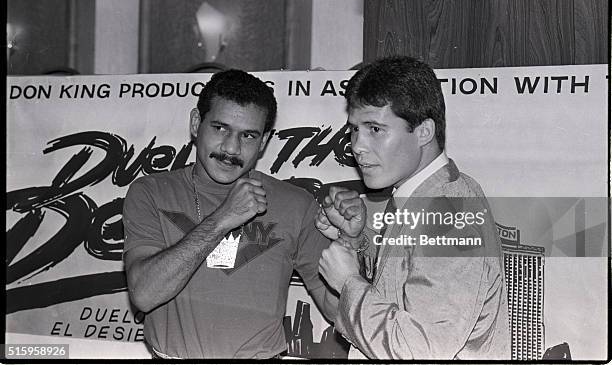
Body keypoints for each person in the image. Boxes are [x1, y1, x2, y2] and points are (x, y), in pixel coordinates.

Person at [122, 70, 335, 359]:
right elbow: (145, 295)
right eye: (220, 128)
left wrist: (351, 240)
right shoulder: (151, 192)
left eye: (248, 135)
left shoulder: (296, 203)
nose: (231, 148)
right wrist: (223, 218)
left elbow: (337, 309)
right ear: (196, 123)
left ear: (263, 142)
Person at [316, 56, 510, 359]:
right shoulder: (419, 199)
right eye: (354, 129)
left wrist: (350, 281)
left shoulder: (448, 213)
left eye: (375, 129)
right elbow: (345, 313)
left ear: (423, 131)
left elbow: (420, 350)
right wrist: (349, 242)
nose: (357, 146)